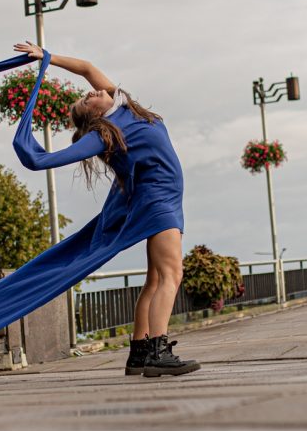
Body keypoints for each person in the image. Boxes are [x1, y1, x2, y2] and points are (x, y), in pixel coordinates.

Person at [13, 42, 199, 377]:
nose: (94, 91)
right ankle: (158, 350)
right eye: (89, 99)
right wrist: (28, 142)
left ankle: (140, 354)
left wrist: (47, 57)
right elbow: (46, 160)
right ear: (96, 114)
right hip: (157, 202)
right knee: (172, 274)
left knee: (156, 277)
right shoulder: (105, 133)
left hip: (165, 199)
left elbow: (86, 67)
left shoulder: (124, 105)